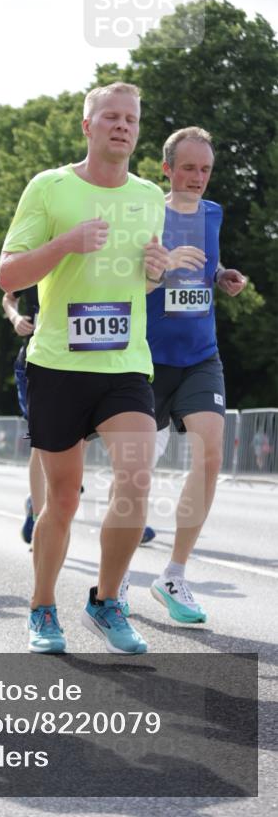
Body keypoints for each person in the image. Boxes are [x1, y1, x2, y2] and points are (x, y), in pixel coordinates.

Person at [0, 81, 168, 655]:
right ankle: (43, 606)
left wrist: (155, 270)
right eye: (111, 117)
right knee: (63, 499)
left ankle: (107, 599)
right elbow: (9, 275)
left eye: (132, 120)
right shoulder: (50, 188)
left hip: (125, 363)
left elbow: (144, 282)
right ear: (87, 126)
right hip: (57, 363)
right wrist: (66, 243)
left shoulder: (149, 197)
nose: (123, 126)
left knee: (136, 476)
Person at [122, 127, 247, 625]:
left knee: (211, 452)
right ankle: (117, 578)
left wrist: (221, 277)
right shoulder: (144, 210)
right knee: (136, 477)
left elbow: (204, 269)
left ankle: (174, 574)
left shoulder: (214, 214)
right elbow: (123, 272)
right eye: (189, 168)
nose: (197, 178)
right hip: (146, 359)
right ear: (167, 169)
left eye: (205, 170)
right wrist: (161, 267)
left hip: (201, 354)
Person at [2, 286, 47, 544]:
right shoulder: (39, 260)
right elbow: (8, 297)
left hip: (80, 363)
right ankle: (40, 518)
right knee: (41, 440)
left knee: (73, 439)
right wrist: (16, 318)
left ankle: (40, 499)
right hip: (35, 363)